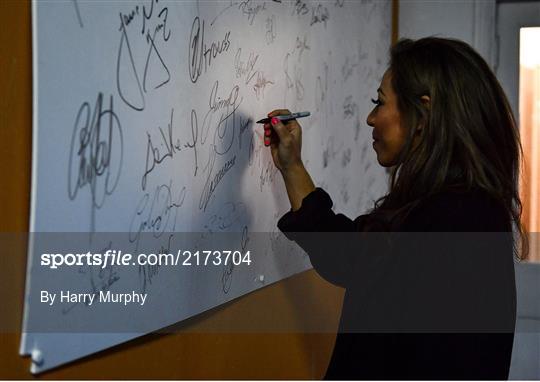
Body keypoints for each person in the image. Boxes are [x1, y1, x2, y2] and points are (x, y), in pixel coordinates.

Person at [263, 37, 527, 380]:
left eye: (380, 102)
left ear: (423, 113)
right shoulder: (468, 207)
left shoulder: (449, 218)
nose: (371, 118)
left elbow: (351, 256)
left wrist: (293, 168)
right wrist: (292, 166)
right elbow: (354, 255)